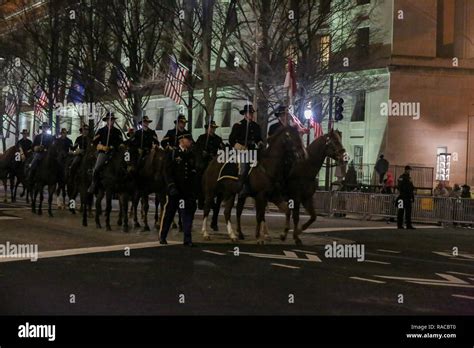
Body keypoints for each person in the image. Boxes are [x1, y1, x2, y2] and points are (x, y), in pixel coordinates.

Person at [159, 133, 198, 246]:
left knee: (187, 215)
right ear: (182, 140)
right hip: (175, 191)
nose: (190, 142)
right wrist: (171, 185)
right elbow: (167, 172)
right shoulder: (173, 153)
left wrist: (193, 190)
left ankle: (187, 239)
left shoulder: (190, 155)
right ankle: (163, 236)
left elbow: (192, 173)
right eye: (188, 140)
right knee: (169, 214)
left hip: (186, 192)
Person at [229, 104, 263, 196]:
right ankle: (242, 187)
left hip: (253, 150)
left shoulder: (256, 126)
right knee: (244, 166)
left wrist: (260, 143)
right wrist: (240, 147)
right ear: (245, 114)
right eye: (249, 113)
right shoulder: (238, 125)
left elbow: (258, 138)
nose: (251, 114)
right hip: (242, 151)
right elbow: (231, 140)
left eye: (252, 113)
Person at [88, 112, 123, 193]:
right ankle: (93, 184)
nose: (111, 121)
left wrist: (119, 146)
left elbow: (121, 142)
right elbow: (94, 143)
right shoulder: (101, 131)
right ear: (107, 120)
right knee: (96, 168)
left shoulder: (117, 132)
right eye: (110, 120)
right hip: (104, 153)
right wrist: (102, 147)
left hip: (114, 153)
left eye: (112, 120)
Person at [396, 165, 415, 229]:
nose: (410, 171)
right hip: (404, 197)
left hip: (403, 197)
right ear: (406, 170)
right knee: (403, 211)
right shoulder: (404, 178)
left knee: (405, 211)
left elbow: (411, 188)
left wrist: (412, 196)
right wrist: (410, 195)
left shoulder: (405, 178)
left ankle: (403, 225)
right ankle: (403, 225)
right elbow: (401, 187)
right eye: (409, 170)